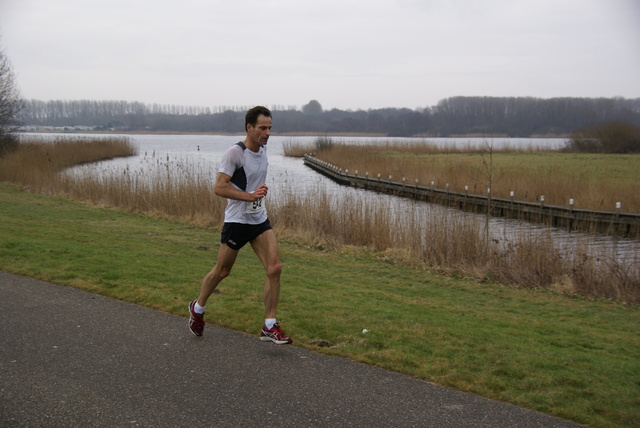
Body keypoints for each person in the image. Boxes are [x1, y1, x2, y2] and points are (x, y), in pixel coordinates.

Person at [188, 106, 292, 345]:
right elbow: (219, 187)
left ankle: (269, 325)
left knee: (274, 268)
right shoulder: (235, 153)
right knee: (222, 271)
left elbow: (256, 181)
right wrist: (250, 196)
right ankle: (198, 307)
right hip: (236, 221)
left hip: (258, 220)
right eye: (262, 128)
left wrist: (259, 195)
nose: (267, 133)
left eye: (269, 128)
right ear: (249, 128)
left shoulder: (263, 149)